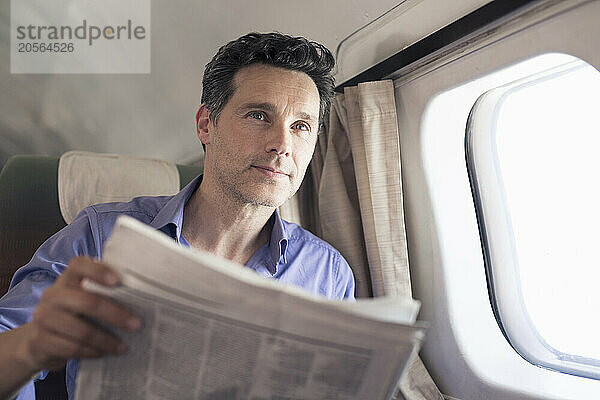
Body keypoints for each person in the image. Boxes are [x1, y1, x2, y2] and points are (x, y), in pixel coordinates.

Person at [0, 32, 355, 399]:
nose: (282, 144)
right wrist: (31, 346)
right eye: (258, 115)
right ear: (206, 125)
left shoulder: (328, 274)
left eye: (301, 126)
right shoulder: (99, 235)